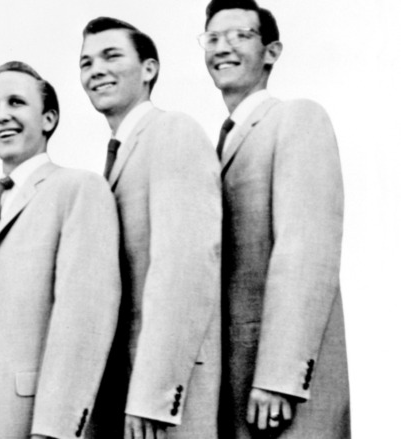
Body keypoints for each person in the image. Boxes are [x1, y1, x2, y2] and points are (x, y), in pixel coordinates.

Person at [0, 61, 121, 439]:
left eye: (16, 102)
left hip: (34, 426)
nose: (1, 115)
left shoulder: (77, 190)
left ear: (49, 118)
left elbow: (84, 319)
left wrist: (55, 430)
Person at [199, 1, 350, 437]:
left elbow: (306, 251)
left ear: (272, 51)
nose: (222, 47)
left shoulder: (297, 117)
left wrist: (279, 378)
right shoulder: (219, 147)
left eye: (240, 35)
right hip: (234, 389)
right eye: (212, 38)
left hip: (281, 396)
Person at [79, 17, 223, 439]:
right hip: (123, 399)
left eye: (111, 56)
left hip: (162, 408)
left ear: (149, 69)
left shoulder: (173, 131)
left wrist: (154, 395)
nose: (96, 70)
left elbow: (186, 268)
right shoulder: (120, 155)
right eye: (86, 63)